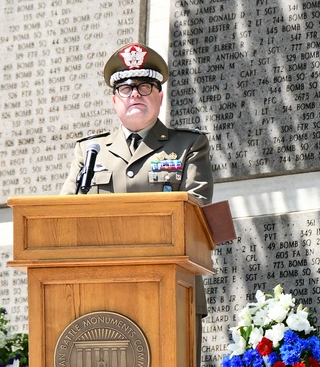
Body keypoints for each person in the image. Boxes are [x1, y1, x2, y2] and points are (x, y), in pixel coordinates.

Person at [59, 42, 214, 316]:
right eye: (125, 88)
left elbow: (196, 209)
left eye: (144, 87)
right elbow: (61, 215)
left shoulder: (189, 145)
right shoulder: (90, 151)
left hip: (173, 287)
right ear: (114, 100)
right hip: (99, 291)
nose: (135, 95)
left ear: (160, 96)